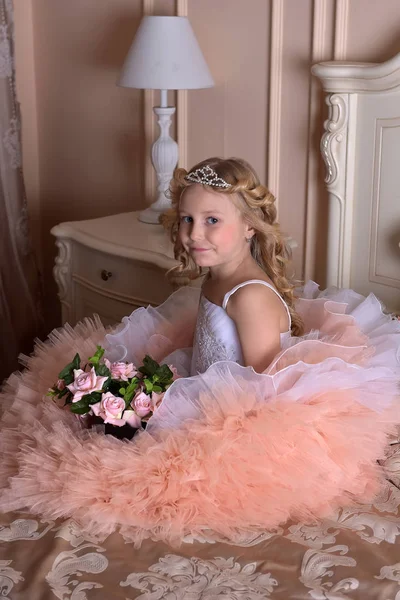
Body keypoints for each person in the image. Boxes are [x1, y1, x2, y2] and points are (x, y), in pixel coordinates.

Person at [0, 157, 399, 546]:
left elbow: (264, 390)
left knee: (130, 470)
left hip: (233, 414)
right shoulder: (216, 279)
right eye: (187, 219)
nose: (194, 234)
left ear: (249, 227)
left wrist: (176, 415)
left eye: (212, 220)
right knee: (90, 402)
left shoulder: (251, 298)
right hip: (196, 381)